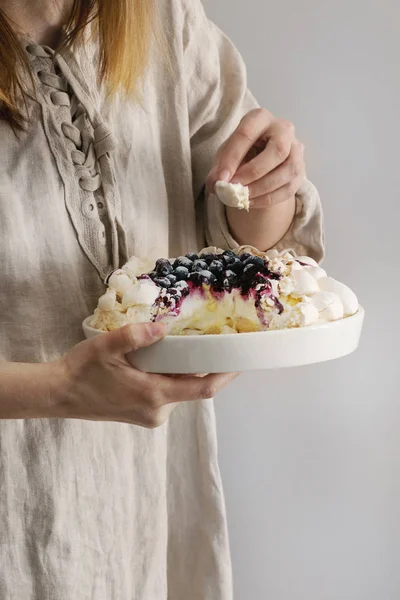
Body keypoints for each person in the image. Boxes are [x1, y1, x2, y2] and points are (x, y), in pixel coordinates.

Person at [0, 0, 324, 598]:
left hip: (141, 510)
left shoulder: (160, 18)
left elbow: (252, 236)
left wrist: (265, 184)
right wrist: (57, 388)